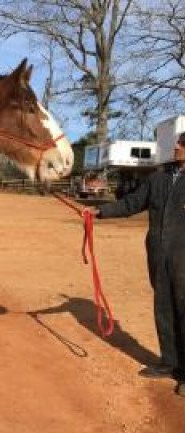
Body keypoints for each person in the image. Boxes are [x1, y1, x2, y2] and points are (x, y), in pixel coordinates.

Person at [84, 132, 185, 397]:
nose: (176, 146)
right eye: (177, 142)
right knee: (163, 307)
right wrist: (101, 212)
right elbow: (132, 203)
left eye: (182, 144)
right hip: (158, 255)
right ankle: (169, 362)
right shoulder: (159, 178)